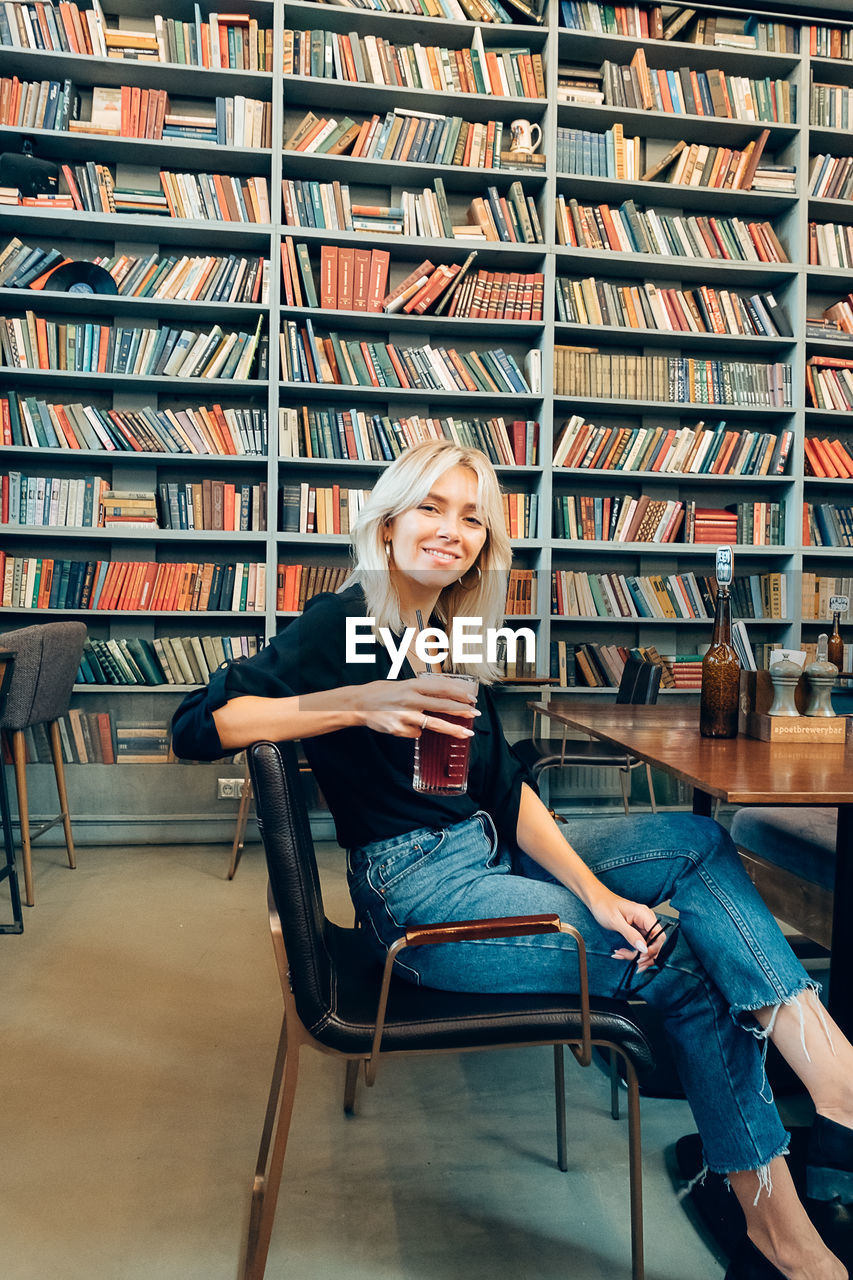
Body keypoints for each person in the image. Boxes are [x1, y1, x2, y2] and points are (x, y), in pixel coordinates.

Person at [172, 440, 853, 1280]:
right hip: (415, 891)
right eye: (431, 508)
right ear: (387, 524)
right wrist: (354, 702)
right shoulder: (339, 624)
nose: (451, 531)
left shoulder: (448, 639)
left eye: (470, 519)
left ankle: (825, 1067)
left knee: (696, 840)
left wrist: (595, 891)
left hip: (487, 855)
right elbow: (195, 726)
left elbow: (503, 788)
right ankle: (787, 1243)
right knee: (679, 969)